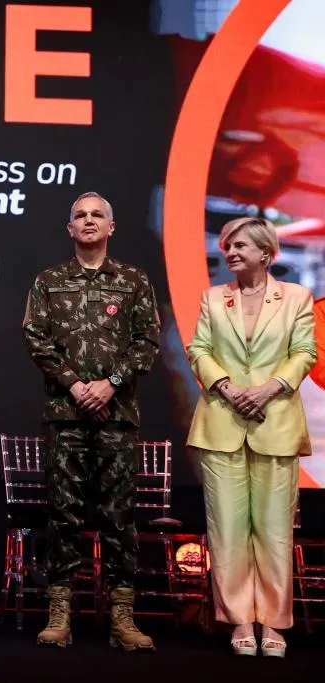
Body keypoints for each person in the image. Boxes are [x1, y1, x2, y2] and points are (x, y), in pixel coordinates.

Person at [22, 192, 159, 651]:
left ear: (111, 227)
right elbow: (36, 338)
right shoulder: (48, 281)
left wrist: (110, 384)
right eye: (80, 215)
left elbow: (147, 341)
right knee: (64, 514)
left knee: (120, 516)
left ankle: (122, 617)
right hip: (66, 415)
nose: (88, 220)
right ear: (70, 228)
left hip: (117, 416)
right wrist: (77, 386)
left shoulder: (134, 281)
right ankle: (59, 614)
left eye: (97, 215)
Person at [186, 216, 314, 658]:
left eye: (240, 245)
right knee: (227, 530)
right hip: (221, 423)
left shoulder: (296, 297)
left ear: (266, 252)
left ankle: (274, 623)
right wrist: (227, 387)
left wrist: (267, 389)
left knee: (275, 531)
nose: (231, 252)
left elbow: (305, 352)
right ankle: (240, 619)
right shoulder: (212, 298)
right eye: (228, 245)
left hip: (275, 423)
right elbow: (198, 349)